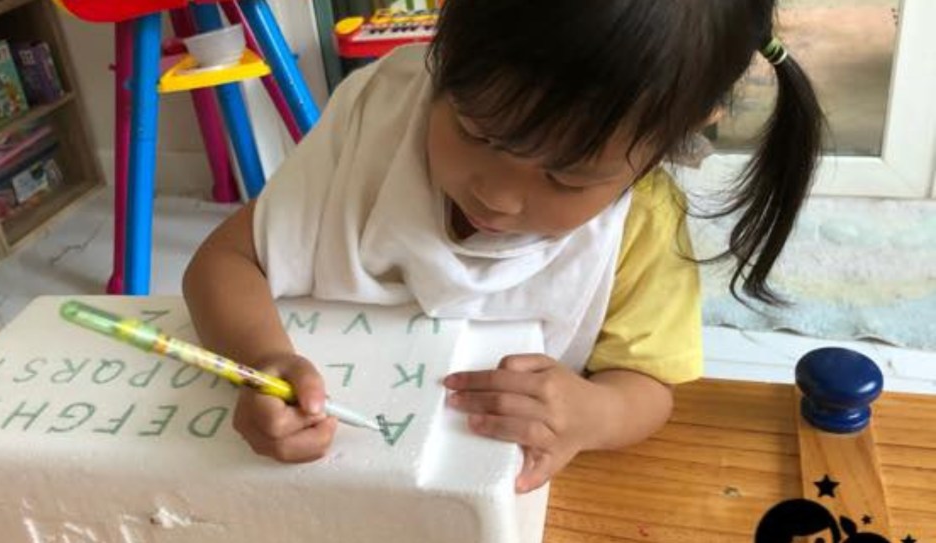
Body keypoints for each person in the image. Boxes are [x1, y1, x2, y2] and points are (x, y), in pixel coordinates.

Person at [183, 0, 824, 493]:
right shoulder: (377, 117)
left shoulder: (643, 221)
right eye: (477, 133)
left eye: (567, 178)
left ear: (677, 134)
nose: (500, 198)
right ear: (443, 49)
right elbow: (223, 263)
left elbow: (649, 387)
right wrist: (260, 362)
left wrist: (592, 413)